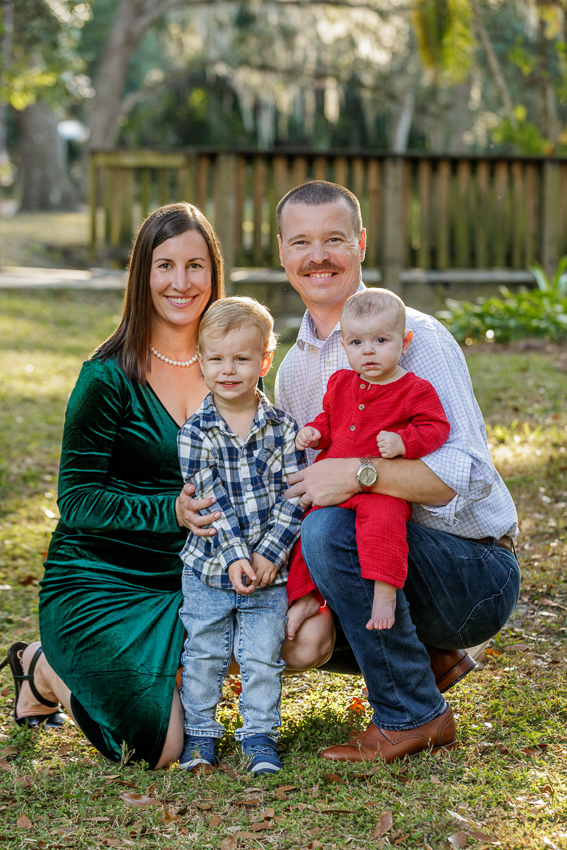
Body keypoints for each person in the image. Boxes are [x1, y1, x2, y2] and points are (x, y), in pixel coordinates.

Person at [272, 180, 520, 763]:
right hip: (390, 566)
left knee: (330, 532)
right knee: (306, 561)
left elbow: (469, 474)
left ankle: (413, 716)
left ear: (360, 244)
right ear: (282, 254)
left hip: (474, 572)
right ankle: (430, 658)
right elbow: (306, 484)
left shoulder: (414, 336)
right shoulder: (295, 371)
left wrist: (362, 473)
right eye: (302, 242)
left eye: (334, 239)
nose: (319, 256)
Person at [4, 202, 228, 768]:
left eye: (196, 266)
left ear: (214, 273)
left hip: (186, 583)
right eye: (165, 266)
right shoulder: (107, 377)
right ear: (142, 276)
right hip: (100, 580)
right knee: (163, 750)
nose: (181, 283)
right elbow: (75, 500)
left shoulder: (230, 366)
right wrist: (169, 511)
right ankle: (45, 669)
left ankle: (157, 671)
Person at [176, 298, 305, 775]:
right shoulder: (195, 432)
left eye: (241, 358)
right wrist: (234, 557)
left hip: (268, 573)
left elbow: (297, 496)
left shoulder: (284, 429)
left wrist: (270, 554)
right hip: (209, 569)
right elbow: (207, 500)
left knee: (261, 655)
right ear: (201, 362)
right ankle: (201, 736)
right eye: (216, 358)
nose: (228, 370)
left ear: (264, 361)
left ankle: (259, 736)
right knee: (205, 651)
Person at [290, 287, 450, 631]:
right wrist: (315, 432)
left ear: (404, 342)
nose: (369, 352)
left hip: (380, 490)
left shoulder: (413, 389)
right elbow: (329, 419)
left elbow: (436, 427)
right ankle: (305, 597)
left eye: (380, 340)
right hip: (337, 491)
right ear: (345, 345)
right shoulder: (341, 382)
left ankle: (385, 591)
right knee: (306, 528)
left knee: (385, 525)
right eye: (357, 343)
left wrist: (403, 441)